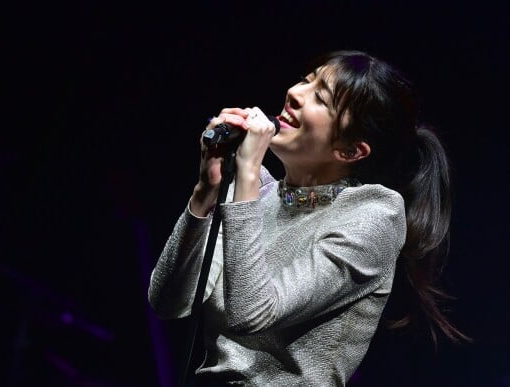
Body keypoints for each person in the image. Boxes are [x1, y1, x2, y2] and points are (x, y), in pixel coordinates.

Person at [147, 50, 470, 386]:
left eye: (320, 98)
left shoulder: (374, 214)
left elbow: (251, 313)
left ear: (350, 151)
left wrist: (246, 175)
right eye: (306, 80)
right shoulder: (256, 194)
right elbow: (167, 302)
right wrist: (206, 190)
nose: (294, 94)